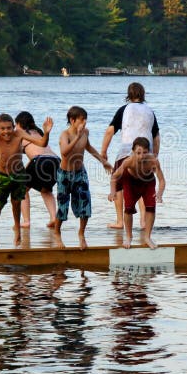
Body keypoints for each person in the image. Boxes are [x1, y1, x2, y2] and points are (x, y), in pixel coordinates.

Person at [0, 106, 52, 247]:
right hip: (2, 176)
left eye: (9, 128)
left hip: (19, 175)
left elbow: (42, 143)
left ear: (14, 127)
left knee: (16, 203)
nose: (6, 131)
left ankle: (17, 229)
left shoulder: (19, 135)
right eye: (3, 128)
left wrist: (46, 132)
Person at [100, 82, 160, 230]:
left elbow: (109, 131)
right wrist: (154, 155)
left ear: (128, 95)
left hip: (127, 152)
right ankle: (143, 221)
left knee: (119, 185)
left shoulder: (124, 109)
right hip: (147, 154)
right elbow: (156, 136)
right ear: (143, 95)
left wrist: (103, 151)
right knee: (142, 185)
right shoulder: (150, 111)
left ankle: (120, 221)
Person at [55, 106, 112, 250]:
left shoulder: (85, 132)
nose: (84, 122)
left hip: (80, 173)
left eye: (85, 119)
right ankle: (57, 233)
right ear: (72, 120)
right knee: (63, 206)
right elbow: (64, 153)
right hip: (64, 174)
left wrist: (103, 161)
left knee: (85, 203)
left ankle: (81, 233)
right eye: (81, 120)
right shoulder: (65, 135)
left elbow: (89, 147)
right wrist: (77, 137)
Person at [109, 137, 165, 249]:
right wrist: (113, 191)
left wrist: (159, 193)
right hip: (130, 182)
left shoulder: (153, 161)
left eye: (145, 152)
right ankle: (129, 237)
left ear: (148, 152)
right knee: (128, 208)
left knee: (151, 207)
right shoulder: (128, 161)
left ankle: (147, 237)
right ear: (133, 151)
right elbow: (114, 177)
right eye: (138, 153)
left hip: (147, 182)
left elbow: (162, 180)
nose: (141, 156)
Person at [15, 111, 61, 229]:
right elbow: (35, 153)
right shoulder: (38, 132)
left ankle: (26, 221)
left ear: (19, 124)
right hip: (56, 161)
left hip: (40, 161)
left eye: (16, 124)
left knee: (22, 190)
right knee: (46, 191)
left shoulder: (20, 133)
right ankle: (53, 218)